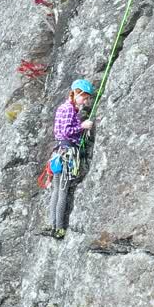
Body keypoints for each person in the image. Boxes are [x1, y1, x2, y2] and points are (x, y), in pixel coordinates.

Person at [47, 79, 95, 238]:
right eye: (84, 97)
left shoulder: (63, 108)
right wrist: (82, 126)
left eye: (88, 98)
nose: (86, 101)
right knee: (62, 191)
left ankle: (51, 224)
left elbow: (59, 131)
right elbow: (67, 131)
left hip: (58, 152)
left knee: (56, 190)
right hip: (66, 154)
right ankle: (58, 228)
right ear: (75, 93)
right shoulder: (69, 110)